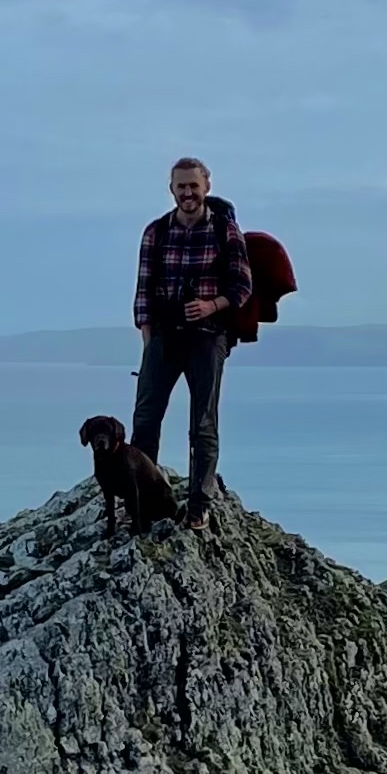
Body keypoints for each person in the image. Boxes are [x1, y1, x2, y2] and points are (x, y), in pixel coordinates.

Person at [130, 156, 252, 531]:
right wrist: (149, 344)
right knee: (145, 420)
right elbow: (143, 293)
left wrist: (211, 305)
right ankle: (142, 500)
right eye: (181, 186)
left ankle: (199, 505)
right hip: (164, 336)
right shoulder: (155, 232)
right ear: (171, 189)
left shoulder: (226, 232)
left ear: (207, 187)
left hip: (207, 337)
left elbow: (242, 286)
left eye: (193, 186)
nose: (188, 193)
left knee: (202, 425)